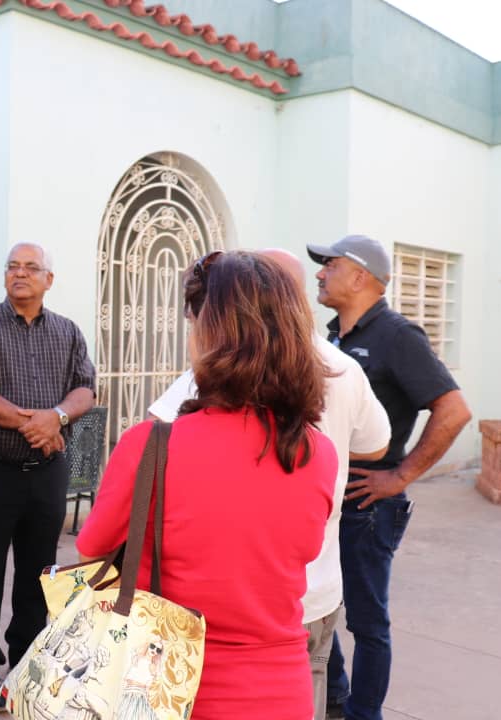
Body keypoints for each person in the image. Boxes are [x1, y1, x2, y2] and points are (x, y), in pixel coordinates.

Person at [78, 250, 338, 720]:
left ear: (208, 334)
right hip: (282, 692)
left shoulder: (151, 445)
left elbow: (92, 547)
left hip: (165, 690)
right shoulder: (318, 453)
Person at [148, 248, 391, 720]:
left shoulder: (218, 367)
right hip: (314, 587)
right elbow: (376, 444)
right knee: (307, 691)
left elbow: (156, 439)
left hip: (229, 597)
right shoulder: (342, 367)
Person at [307, 235, 472, 720]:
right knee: (322, 606)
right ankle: (336, 698)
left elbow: (454, 410)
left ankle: (364, 714)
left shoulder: (397, 336)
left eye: (330, 265)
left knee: (367, 622)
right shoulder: (337, 335)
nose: (320, 273)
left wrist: (399, 476)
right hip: (334, 501)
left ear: (360, 276)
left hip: (369, 506)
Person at [0, 242, 96, 712]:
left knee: (38, 573)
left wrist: (56, 416)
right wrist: (30, 423)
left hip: (46, 473)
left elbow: (85, 388)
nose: (20, 274)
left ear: (49, 280)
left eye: (32, 268)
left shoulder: (68, 332)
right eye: (13, 266)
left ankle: (27, 660)